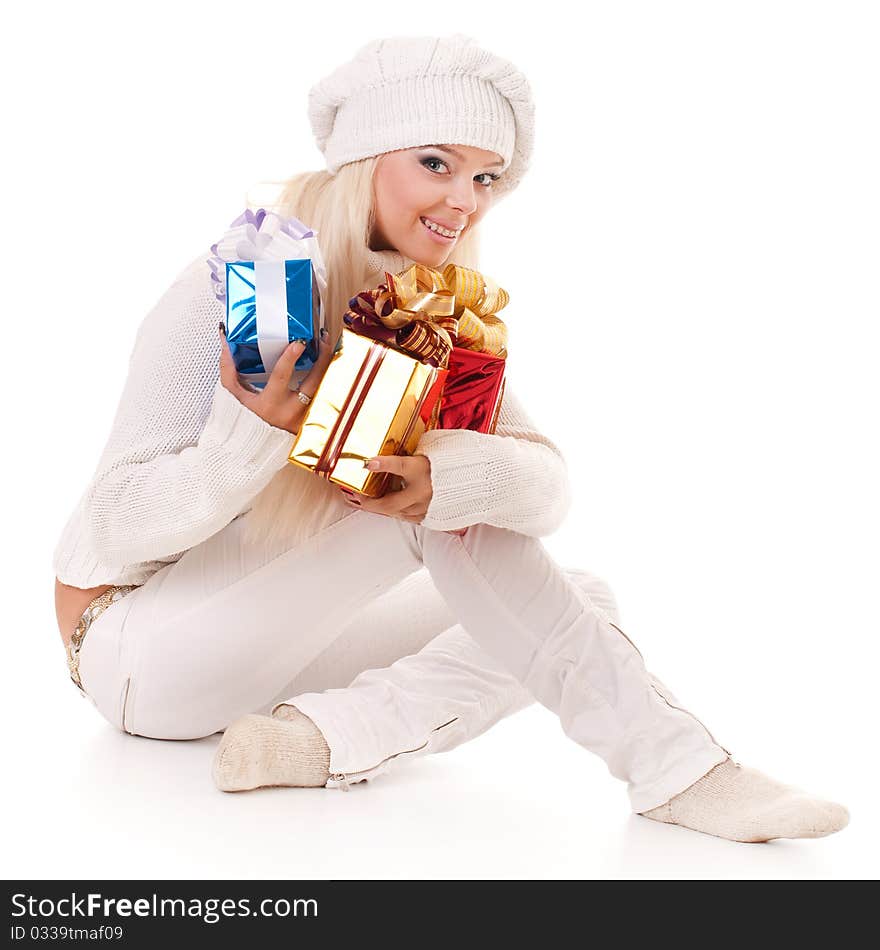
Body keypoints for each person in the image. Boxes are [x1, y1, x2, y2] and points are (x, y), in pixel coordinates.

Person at [53, 34, 849, 845]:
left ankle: (319, 739)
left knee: (579, 599)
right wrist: (245, 436)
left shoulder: (421, 317)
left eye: (485, 176)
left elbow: (546, 490)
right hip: (134, 653)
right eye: (435, 162)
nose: (464, 199)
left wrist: (451, 477)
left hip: (269, 668)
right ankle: (679, 770)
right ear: (365, 159)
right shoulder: (236, 287)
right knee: (467, 549)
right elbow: (117, 522)